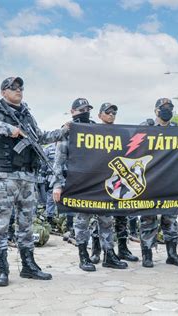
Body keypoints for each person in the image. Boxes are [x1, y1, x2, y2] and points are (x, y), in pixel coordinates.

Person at [0, 76, 68, 286]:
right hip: (6, 176)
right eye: (13, 87)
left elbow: (40, 137)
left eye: (21, 87)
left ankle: (28, 266)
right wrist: (8, 129)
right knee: (1, 225)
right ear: (3, 91)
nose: (19, 90)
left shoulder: (26, 115)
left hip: (27, 178)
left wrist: (64, 131)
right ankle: (2, 270)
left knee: (26, 224)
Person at [53, 98, 128, 272]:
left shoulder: (97, 129)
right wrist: (57, 185)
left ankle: (109, 255)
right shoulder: (67, 131)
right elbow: (59, 161)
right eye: (80, 109)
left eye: (87, 109)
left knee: (106, 220)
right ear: (72, 112)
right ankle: (83, 256)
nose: (84, 112)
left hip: (101, 184)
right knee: (82, 222)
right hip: (80, 184)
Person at [139, 98, 178, 268]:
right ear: (156, 110)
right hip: (150, 181)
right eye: (163, 108)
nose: (167, 110)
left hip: (172, 182)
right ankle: (147, 255)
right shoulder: (147, 127)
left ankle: (172, 254)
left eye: (170, 107)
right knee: (148, 218)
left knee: (170, 219)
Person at [97, 103, 139, 262]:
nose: (111, 115)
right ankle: (98, 251)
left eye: (114, 112)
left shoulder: (122, 133)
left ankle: (123, 249)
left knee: (122, 216)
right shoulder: (92, 131)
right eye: (107, 112)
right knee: (101, 218)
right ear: (100, 115)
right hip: (100, 181)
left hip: (120, 180)